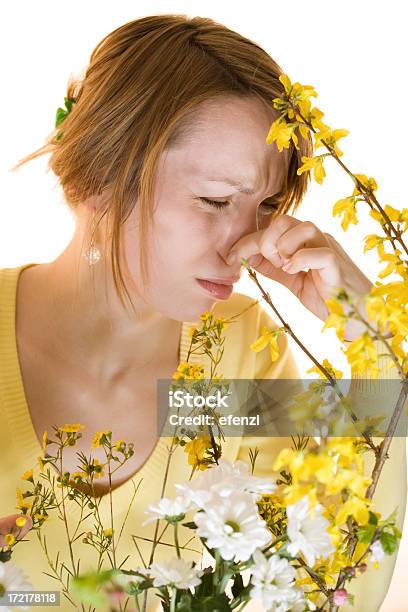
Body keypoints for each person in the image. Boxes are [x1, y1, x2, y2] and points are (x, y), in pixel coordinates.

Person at [0, 14, 405, 612]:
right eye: (215, 200)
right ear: (99, 178)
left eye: (265, 206)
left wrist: (374, 339)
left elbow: (329, 591)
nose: (245, 245)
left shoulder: (232, 354)